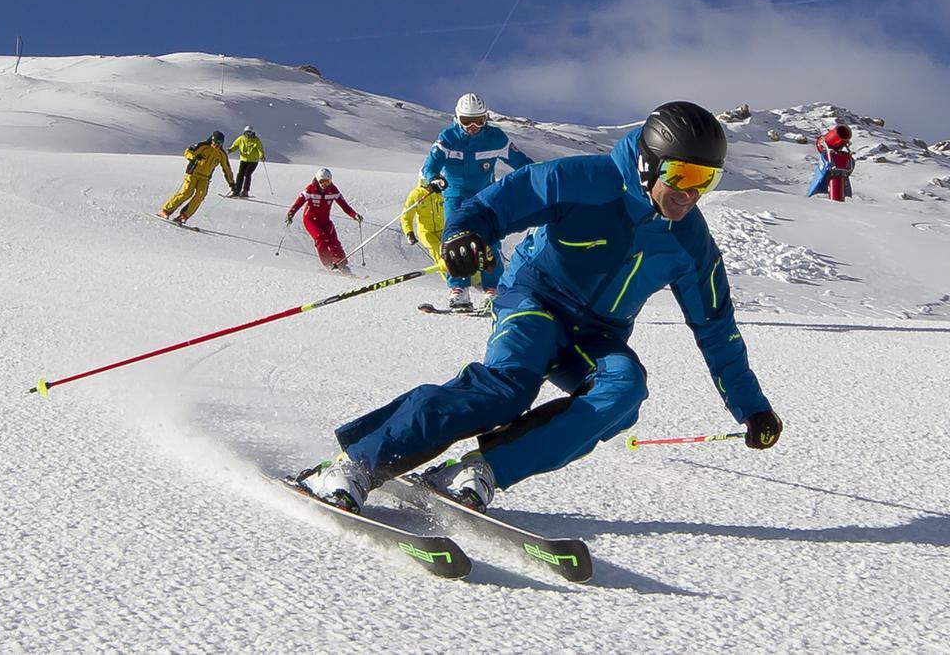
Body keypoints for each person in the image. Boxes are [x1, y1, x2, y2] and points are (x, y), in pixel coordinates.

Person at [294, 101, 783, 513]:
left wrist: (751, 408)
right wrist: (465, 233)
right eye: (682, 175)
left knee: (624, 391)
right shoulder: (585, 181)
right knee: (506, 389)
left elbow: (716, 328)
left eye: (707, 180)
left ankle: (480, 470)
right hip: (535, 299)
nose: (690, 193)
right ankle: (353, 465)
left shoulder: (690, 244)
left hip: (598, 335)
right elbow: (492, 204)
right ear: (648, 164)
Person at [420, 92, 534, 310]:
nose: (473, 126)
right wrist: (433, 178)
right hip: (455, 195)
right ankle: (459, 289)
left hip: (485, 195)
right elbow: (430, 166)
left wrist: (538, 176)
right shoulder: (448, 138)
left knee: (489, 239)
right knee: (455, 239)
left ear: (486, 118)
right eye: (466, 121)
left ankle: (493, 289)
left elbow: (522, 162)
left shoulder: (496, 138)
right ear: (457, 118)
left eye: (479, 120)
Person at [286, 167, 363, 276]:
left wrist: (354, 215)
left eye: (327, 181)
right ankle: (328, 265)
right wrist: (291, 213)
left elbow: (344, 205)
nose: (324, 184)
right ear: (317, 180)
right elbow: (299, 202)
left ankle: (342, 265)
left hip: (325, 220)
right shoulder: (310, 189)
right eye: (322, 181)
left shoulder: (333, 190)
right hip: (310, 220)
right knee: (320, 238)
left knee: (334, 242)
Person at [157, 131, 235, 226]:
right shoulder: (202, 146)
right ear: (212, 139)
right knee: (187, 192)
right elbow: (187, 151)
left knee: (200, 196)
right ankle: (166, 211)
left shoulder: (221, 154)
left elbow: (227, 169)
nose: (217, 145)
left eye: (220, 143)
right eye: (215, 142)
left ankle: (183, 216)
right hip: (193, 173)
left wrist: (231, 183)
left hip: (205, 178)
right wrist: (194, 157)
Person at [399, 175, 449, 283]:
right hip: (426, 232)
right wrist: (409, 232)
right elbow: (406, 216)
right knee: (438, 251)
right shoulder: (416, 195)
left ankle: (472, 278)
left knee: (452, 249)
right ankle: (451, 282)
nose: (431, 188)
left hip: (442, 229)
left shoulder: (440, 192)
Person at [228, 125, 266, 198]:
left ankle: (245, 191)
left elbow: (260, 149)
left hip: (253, 161)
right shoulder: (241, 139)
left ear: (253, 133)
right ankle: (237, 191)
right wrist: (230, 150)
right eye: (246, 133)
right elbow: (235, 145)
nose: (248, 135)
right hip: (243, 160)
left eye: (250, 133)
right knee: (240, 174)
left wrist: (261, 155)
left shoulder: (256, 140)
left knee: (247, 174)